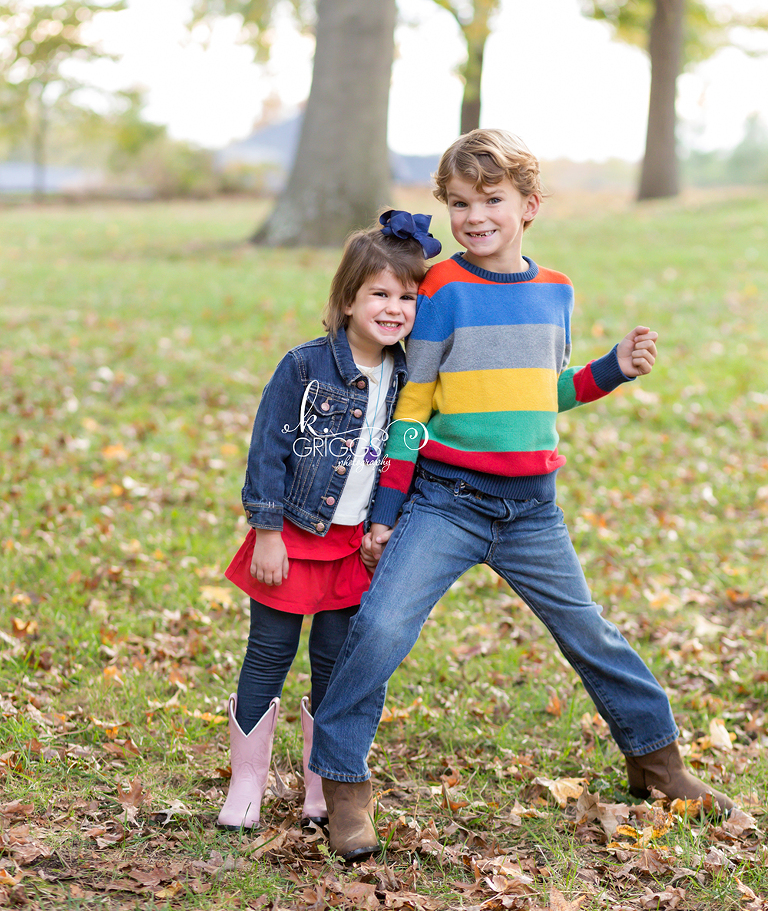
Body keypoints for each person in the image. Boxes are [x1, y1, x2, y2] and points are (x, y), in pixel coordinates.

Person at [309, 128, 736, 861]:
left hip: (533, 510)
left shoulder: (556, 291)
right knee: (379, 628)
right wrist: (386, 514)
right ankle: (344, 779)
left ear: (529, 205)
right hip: (446, 500)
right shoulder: (442, 289)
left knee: (590, 633)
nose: (476, 217)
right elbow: (415, 407)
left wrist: (614, 369)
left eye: (493, 200)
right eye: (461, 204)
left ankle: (656, 761)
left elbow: (544, 396)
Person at [217, 213, 441, 830]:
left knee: (335, 662)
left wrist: (386, 525)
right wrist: (266, 531)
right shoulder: (304, 367)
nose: (394, 308)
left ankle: (322, 783)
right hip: (292, 535)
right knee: (269, 652)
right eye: (380, 293)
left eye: (407, 297)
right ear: (346, 300)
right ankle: (247, 783)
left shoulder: (410, 378)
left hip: (352, 548)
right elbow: (269, 448)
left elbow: (409, 456)